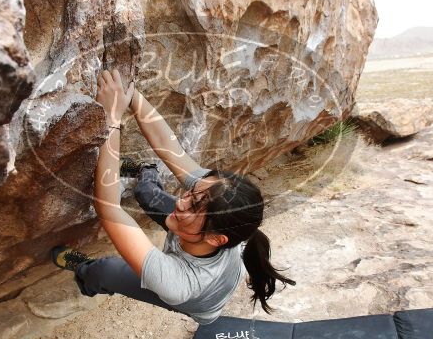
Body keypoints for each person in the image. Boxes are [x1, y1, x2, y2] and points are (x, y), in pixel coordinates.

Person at [51, 69, 295, 323]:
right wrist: (130, 95)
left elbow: (108, 208)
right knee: (147, 193)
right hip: (198, 239)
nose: (180, 201)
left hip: (196, 301)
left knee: (106, 270)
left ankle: (83, 271)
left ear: (216, 238)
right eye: (191, 192)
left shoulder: (178, 284)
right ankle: (144, 171)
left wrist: (111, 118)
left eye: (193, 205)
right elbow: (169, 148)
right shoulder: (215, 205)